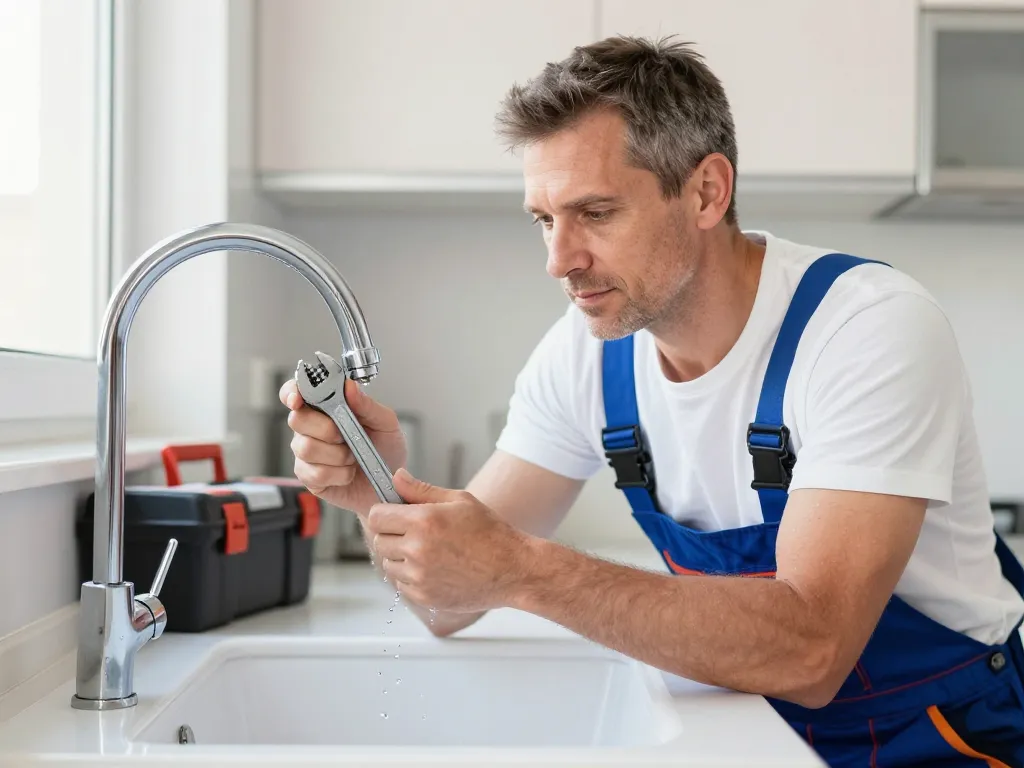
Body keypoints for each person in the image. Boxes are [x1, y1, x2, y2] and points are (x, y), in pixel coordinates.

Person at [280, 35, 1024, 767]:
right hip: (753, 729)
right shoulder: (587, 356)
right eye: (544, 219)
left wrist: (522, 568)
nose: (559, 261)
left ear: (706, 192)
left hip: (941, 738)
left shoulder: (866, 328)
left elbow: (813, 651)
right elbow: (450, 604)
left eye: (596, 213)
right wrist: (377, 491)